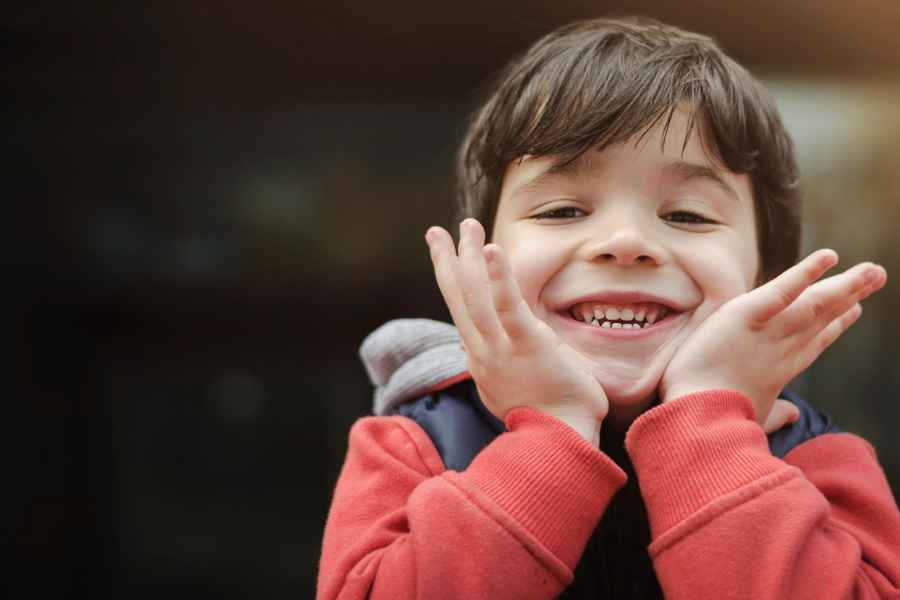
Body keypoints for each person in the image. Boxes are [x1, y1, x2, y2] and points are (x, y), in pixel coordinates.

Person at [317, 16, 900, 600]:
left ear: (767, 280)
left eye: (687, 215)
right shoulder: (410, 448)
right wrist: (553, 430)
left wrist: (705, 423)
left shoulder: (822, 464)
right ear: (477, 261)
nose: (625, 241)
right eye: (562, 211)